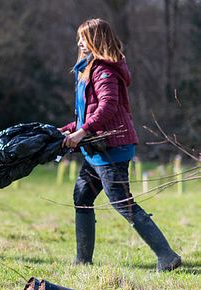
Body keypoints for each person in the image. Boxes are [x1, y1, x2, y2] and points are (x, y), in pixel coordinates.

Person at [59, 18, 181, 271]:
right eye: (79, 37)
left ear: (96, 40)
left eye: (84, 37)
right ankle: (83, 260)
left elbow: (107, 107)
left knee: (121, 202)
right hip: (96, 150)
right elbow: (89, 113)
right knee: (82, 196)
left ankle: (167, 256)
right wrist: (68, 130)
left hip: (111, 149)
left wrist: (81, 132)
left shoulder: (104, 71)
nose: (79, 42)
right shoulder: (88, 69)